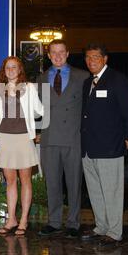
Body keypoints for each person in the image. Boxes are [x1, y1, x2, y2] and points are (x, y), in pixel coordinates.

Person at [81, 43, 128, 248]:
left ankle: (115, 232)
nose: (91, 61)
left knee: (111, 191)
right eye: (88, 57)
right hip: (88, 148)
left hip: (110, 146)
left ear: (105, 59)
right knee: (95, 190)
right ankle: (101, 226)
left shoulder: (117, 79)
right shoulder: (88, 83)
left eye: (95, 57)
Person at [37, 39, 88, 238]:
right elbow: (36, 109)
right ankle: (54, 221)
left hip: (74, 137)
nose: (57, 56)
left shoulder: (82, 77)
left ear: (67, 53)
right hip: (49, 139)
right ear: (49, 55)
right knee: (52, 182)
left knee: (74, 183)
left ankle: (74, 223)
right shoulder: (41, 79)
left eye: (61, 52)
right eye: (53, 53)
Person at [0, 56, 44, 236]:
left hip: (24, 138)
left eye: (14, 67)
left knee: (25, 180)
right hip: (5, 137)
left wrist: (30, 112)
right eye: (7, 67)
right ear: (4, 70)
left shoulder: (29, 88)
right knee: (10, 181)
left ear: (19, 69)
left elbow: (40, 111)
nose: (10, 70)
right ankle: (11, 219)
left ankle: (23, 219)